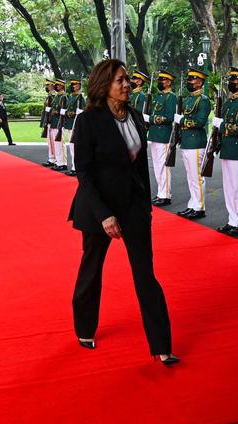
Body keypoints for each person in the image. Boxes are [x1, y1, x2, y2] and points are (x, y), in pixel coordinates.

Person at [68, 59, 179, 365]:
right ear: (104, 85)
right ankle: (85, 328)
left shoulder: (133, 115)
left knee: (146, 274)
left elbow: (139, 163)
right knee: (91, 270)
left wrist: (146, 205)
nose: (127, 84)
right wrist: (104, 215)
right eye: (120, 80)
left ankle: (161, 346)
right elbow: (84, 173)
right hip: (97, 207)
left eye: (128, 79)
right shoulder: (89, 121)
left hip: (133, 205)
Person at [215, 67, 238, 236]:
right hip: (227, 149)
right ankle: (233, 219)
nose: (231, 82)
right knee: (229, 188)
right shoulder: (229, 102)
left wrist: (221, 125)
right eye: (230, 79)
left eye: (234, 80)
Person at [176, 68, 211, 219]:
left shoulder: (203, 100)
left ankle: (199, 207)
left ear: (200, 82)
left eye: (193, 79)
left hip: (196, 142)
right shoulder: (189, 99)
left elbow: (200, 122)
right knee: (191, 177)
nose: (189, 81)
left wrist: (182, 120)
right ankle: (193, 204)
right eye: (189, 79)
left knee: (196, 176)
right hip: (187, 142)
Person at [146, 70, 177, 206]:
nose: (160, 82)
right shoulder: (157, 96)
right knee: (157, 166)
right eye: (160, 80)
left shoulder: (171, 97)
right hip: (154, 135)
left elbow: (169, 117)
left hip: (164, 135)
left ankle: (165, 195)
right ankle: (160, 192)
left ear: (169, 82)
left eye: (163, 80)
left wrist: (151, 119)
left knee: (164, 167)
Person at [64, 79, 86, 177]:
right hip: (70, 123)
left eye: (75, 84)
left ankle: (77, 168)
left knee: (76, 147)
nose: (73, 86)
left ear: (79, 85)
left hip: (76, 124)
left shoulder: (81, 97)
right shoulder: (72, 97)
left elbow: (83, 111)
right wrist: (68, 113)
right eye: (72, 84)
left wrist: (76, 113)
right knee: (72, 147)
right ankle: (74, 167)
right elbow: (67, 109)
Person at [49, 79, 68, 171]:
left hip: (59, 122)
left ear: (62, 86)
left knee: (60, 143)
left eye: (58, 85)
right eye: (56, 85)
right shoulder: (57, 96)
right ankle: (58, 161)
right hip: (54, 122)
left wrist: (57, 112)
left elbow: (65, 109)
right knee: (56, 143)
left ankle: (63, 163)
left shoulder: (64, 96)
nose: (56, 86)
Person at [41, 79, 57, 168]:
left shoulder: (55, 96)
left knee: (54, 141)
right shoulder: (49, 96)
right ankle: (51, 158)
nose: (47, 87)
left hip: (53, 121)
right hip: (48, 121)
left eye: (49, 85)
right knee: (49, 141)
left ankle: (56, 159)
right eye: (47, 86)